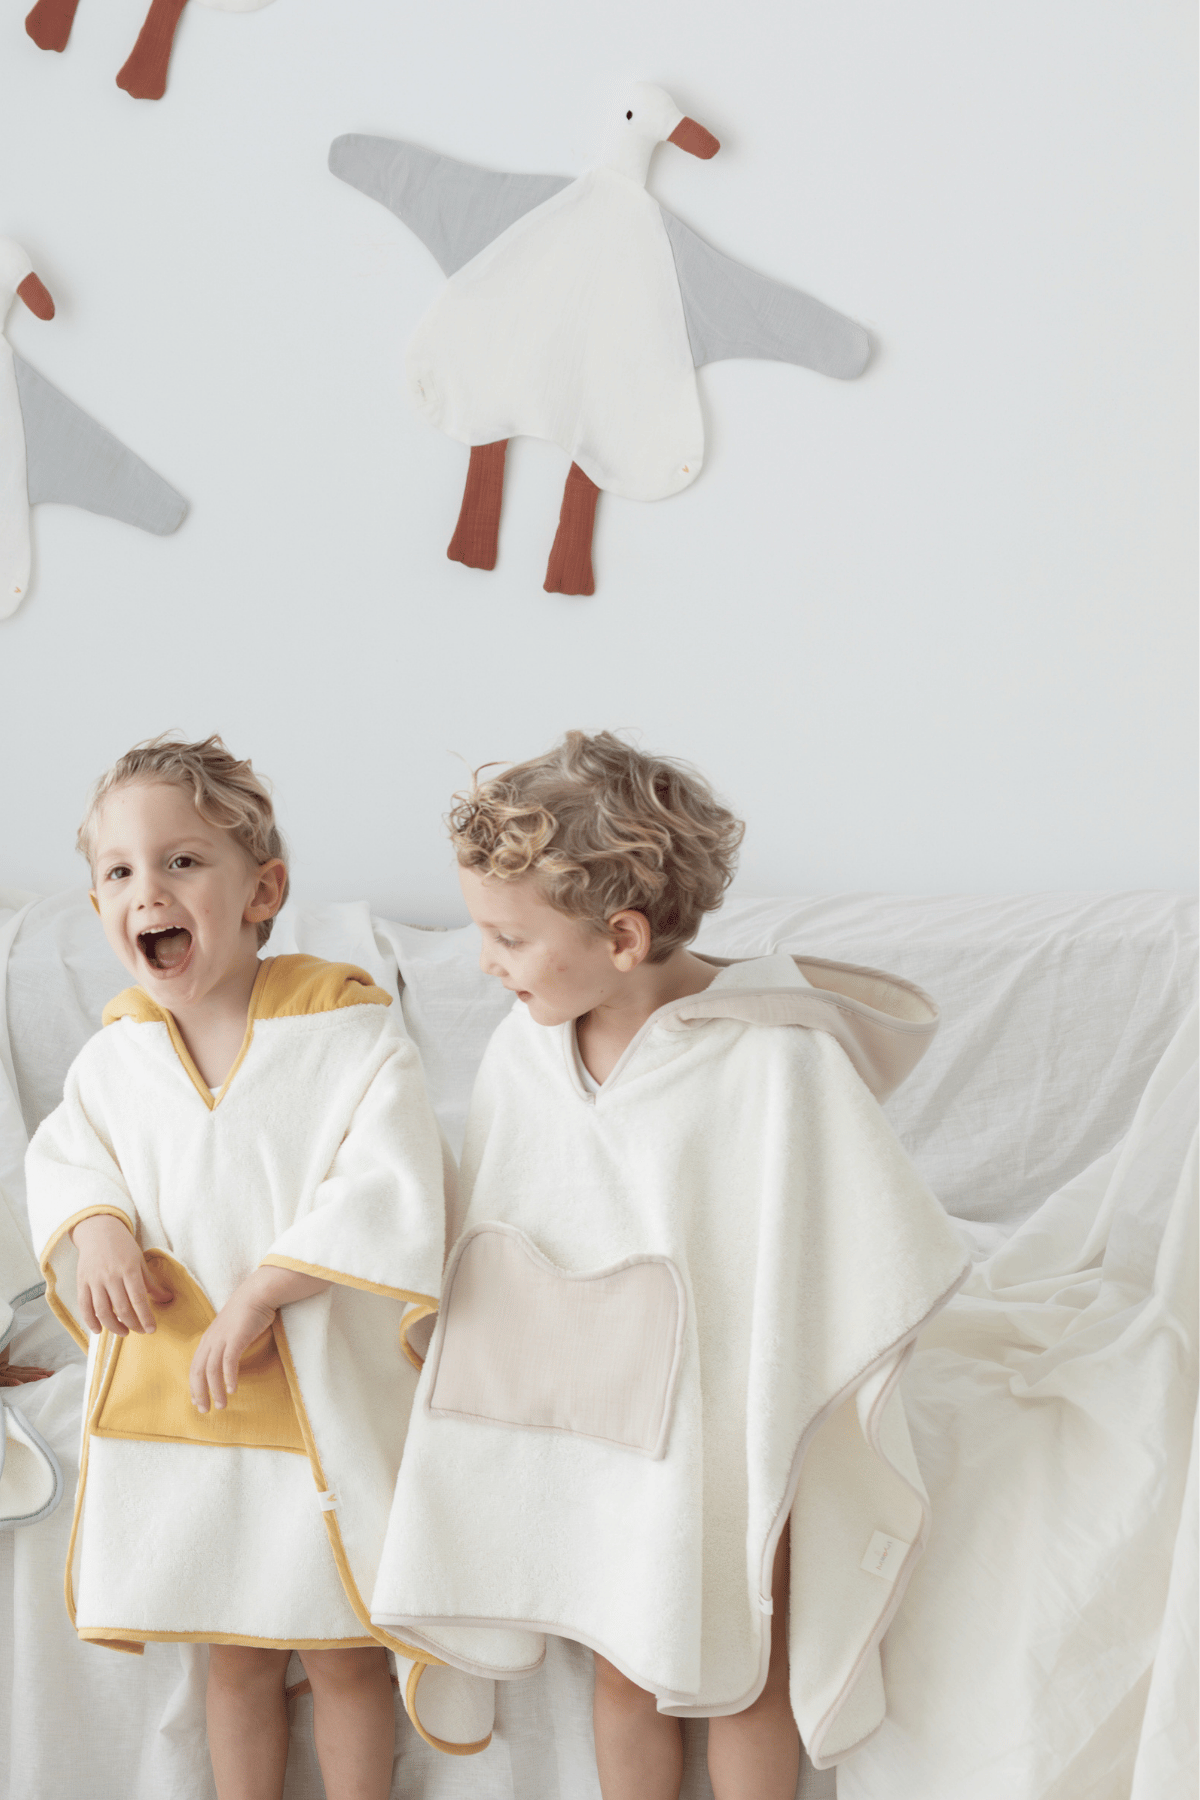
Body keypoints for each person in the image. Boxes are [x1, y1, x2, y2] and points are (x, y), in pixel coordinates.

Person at [370, 729, 969, 1797]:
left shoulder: (773, 1059)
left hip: (727, 1410)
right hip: (593, 1424)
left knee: (743, 1660)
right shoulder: (524, 1047)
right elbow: (499, 1220)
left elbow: (850, 1241)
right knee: (623, 1662)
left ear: (623, 937)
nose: (484, 961)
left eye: (508, 937)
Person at [24, 734, 473, 1800]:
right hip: (196, 1402)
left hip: (317, 1390)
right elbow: (66, 1159)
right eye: (120, 871)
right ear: (97, 906)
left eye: (182, 861)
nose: (148, 890)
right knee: (234, 1654)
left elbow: (389, 1181)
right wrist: (96, 1227)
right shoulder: (115, 1058)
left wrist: (270, 1288)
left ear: (262, 890)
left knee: (344, 1651)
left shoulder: (346, 1033)